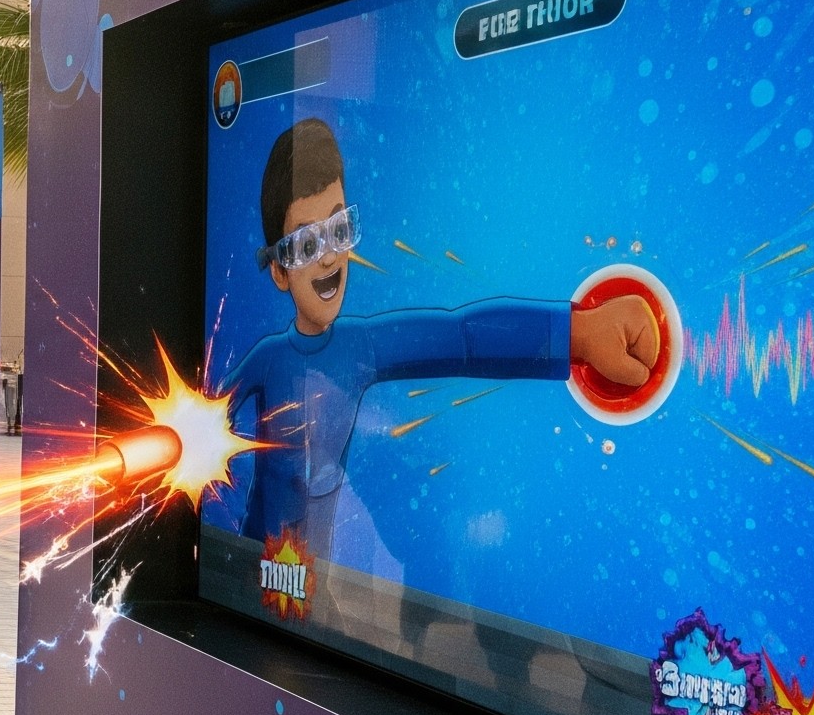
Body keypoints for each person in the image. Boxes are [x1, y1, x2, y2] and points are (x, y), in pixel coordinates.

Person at [219, 118, 659, 577]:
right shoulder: (268, 360)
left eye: (339, 229)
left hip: (311, 583)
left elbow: (462, 337)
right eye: (307, 243)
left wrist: (580, 334)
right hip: (257, 575)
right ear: (279, 270)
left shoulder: (361, 345)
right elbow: (204, 424)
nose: (329, 256)